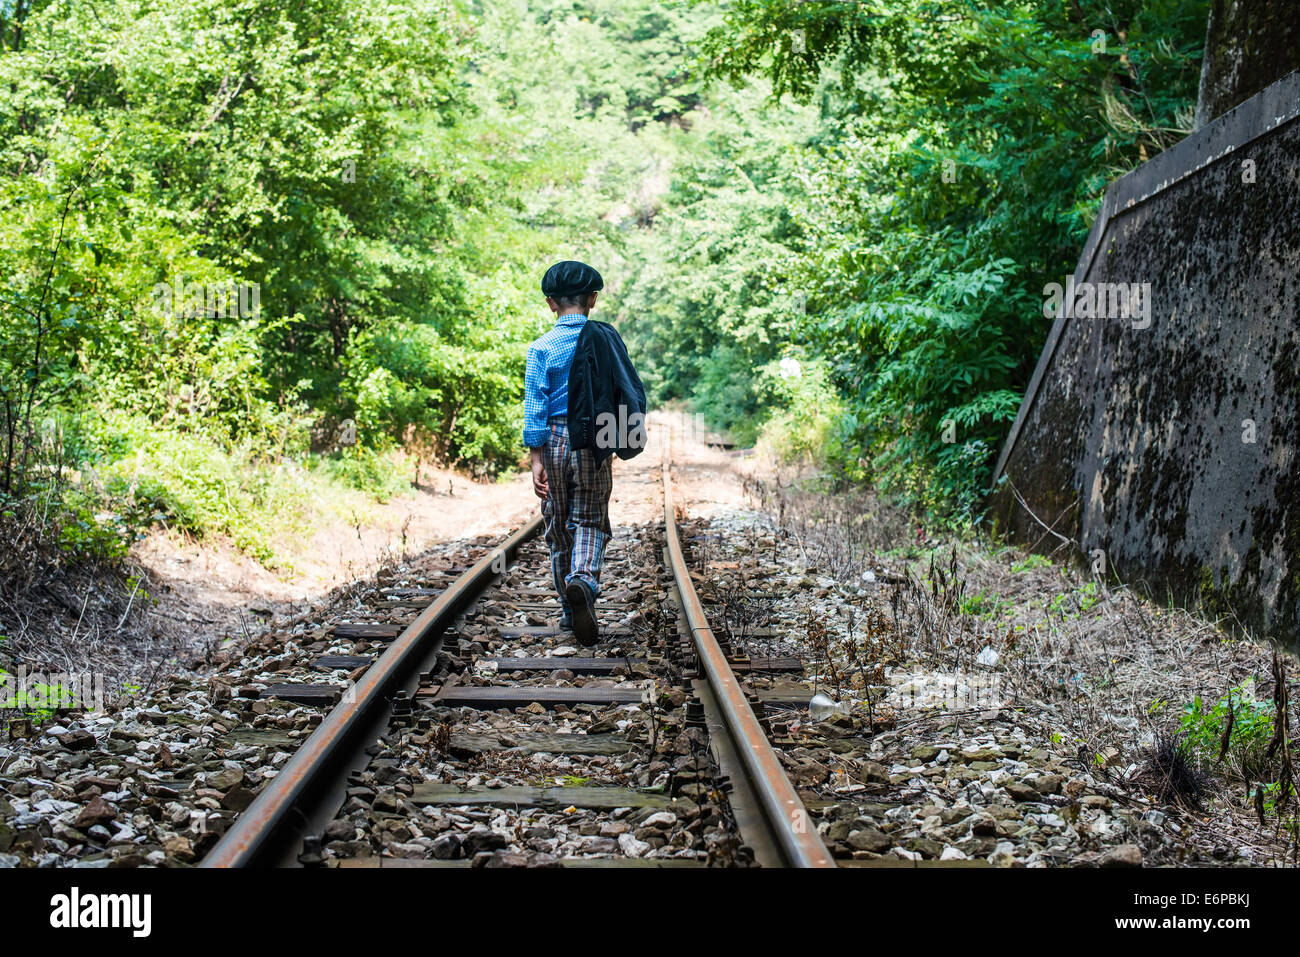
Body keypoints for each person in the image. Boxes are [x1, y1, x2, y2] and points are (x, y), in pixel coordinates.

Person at [523, 261, 646, 646]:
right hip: (594, 441)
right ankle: (584, 580)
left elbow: (534, 406)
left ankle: (566, 608)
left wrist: (536, 458)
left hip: (555, 441)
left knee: (558, 527)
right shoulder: (604, 340)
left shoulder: (541, 348)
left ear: (550, 304)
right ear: (592, 299)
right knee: (589, 519)